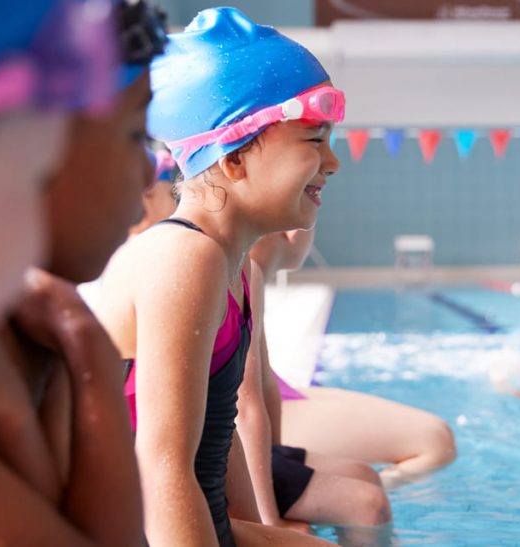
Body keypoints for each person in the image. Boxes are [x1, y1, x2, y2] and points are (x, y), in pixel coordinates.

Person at [0, 0, 163, 544]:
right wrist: (89, 351)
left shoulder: (28, 326)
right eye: (135, 134)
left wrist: (80, 356)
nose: (149, 172)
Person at [94, 8, 343, 545]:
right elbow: (161, 468)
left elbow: (218, 436)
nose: (333, 162)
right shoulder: (185, 258)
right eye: (314, 140)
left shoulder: (233, 265)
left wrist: (260, 529)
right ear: (233, 160)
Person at [251, 229, 457, 486]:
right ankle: (361, 498)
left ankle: (361, 494)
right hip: (259, 413)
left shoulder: (245, 275)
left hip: (275, 394)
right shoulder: (242, 276)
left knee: (438, 434)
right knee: (435, 443)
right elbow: (244, 408)